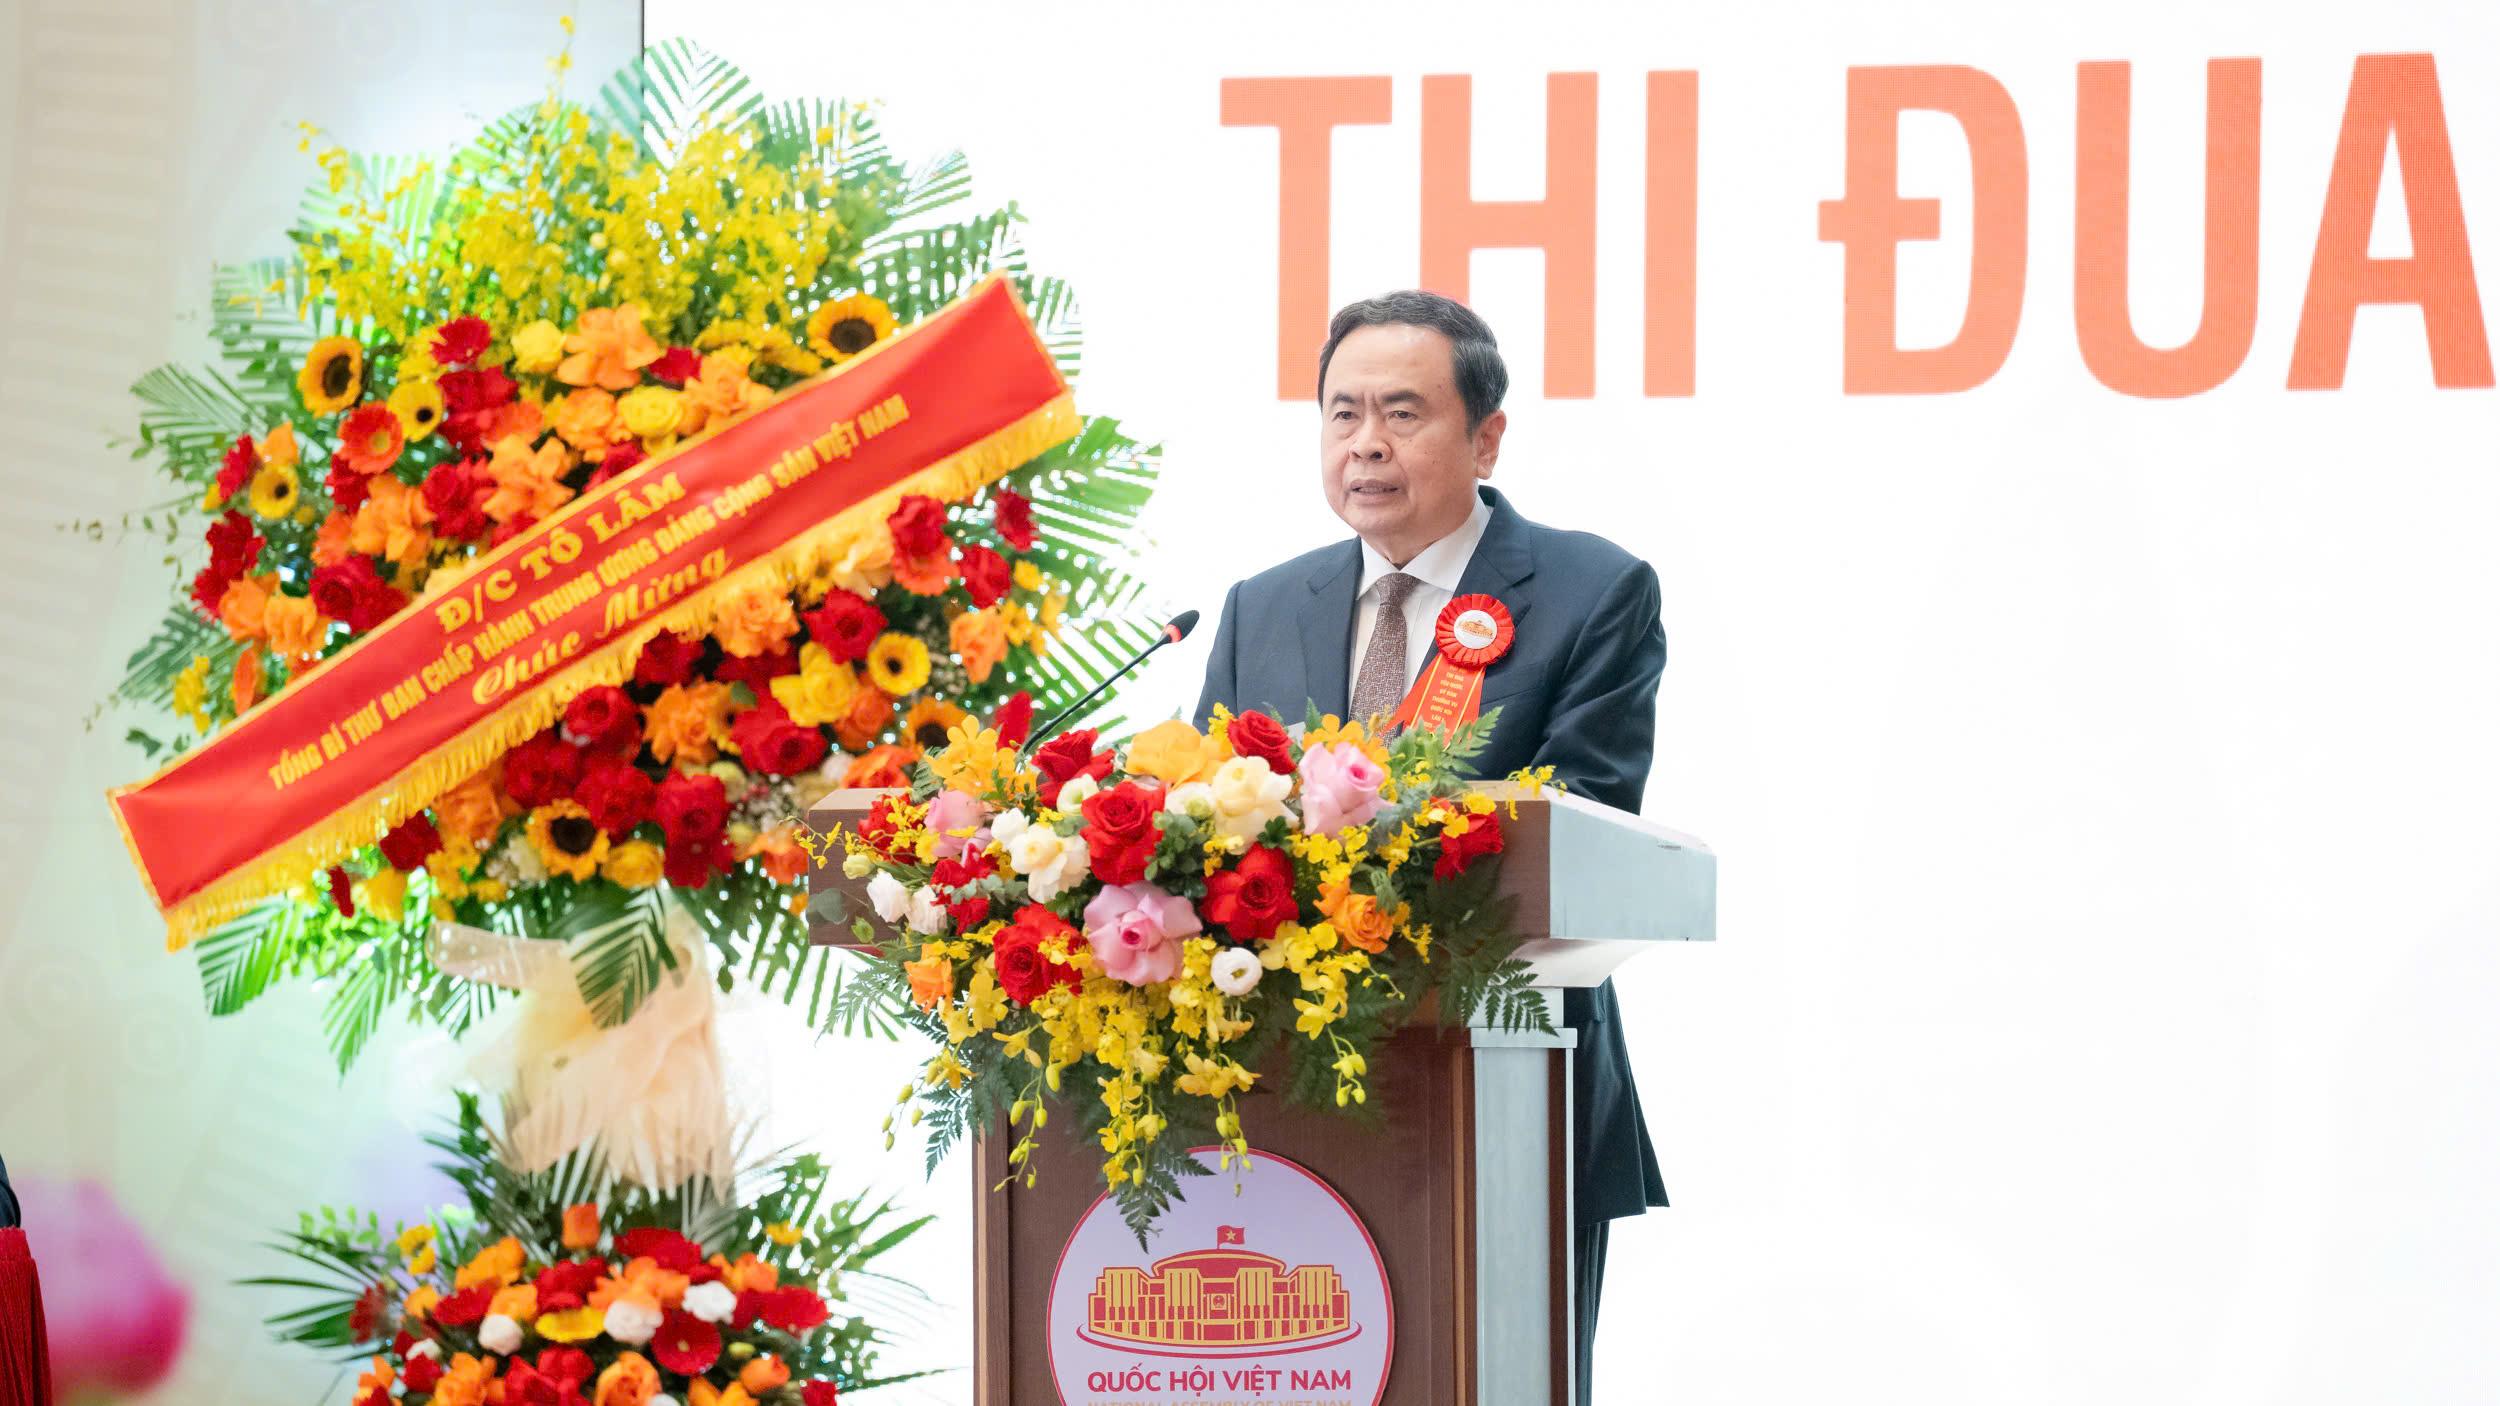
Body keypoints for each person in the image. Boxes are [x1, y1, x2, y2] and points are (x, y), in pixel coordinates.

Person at [1194, 289, 1670, 1402]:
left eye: (1402, 413)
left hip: (1508, 1080)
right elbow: (1209, 819)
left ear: (1486, 437)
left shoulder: (1593, 590)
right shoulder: (1261, 605)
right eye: (1342, 413)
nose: (1365, 443)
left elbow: (1586, 819)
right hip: (1277, 1093)